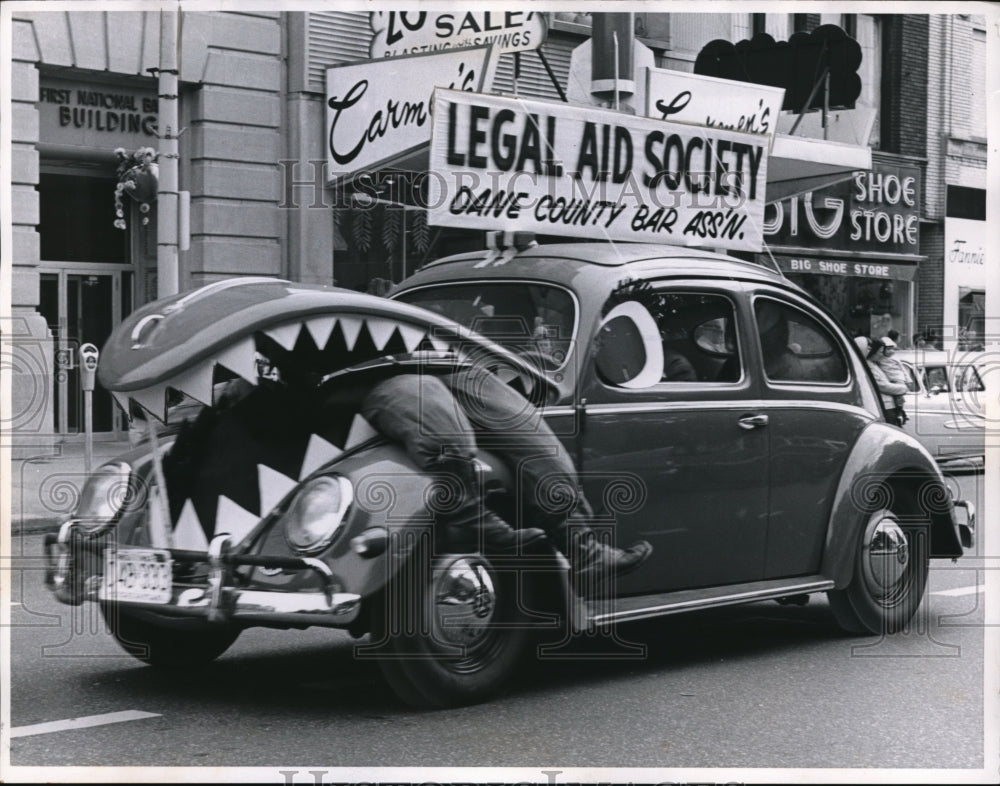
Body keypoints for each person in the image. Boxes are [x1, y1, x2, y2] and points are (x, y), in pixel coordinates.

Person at [361, 364, 653, 589]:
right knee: (436, 414)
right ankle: (474, 520)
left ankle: (583, 549)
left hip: (443, 363)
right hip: (375, 372)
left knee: (526, 435)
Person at [866, 338, 908, 426]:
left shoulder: (876, 364)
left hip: (889, 405)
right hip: (885, 406)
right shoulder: (869, 365)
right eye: (880, 352)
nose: (882, 355)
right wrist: (903, 388)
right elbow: (883, 386)